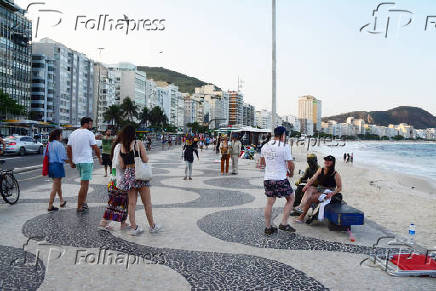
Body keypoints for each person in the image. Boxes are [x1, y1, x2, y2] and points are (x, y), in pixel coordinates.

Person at [117, 125, 160, 236]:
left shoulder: (121, 146)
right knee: (147, 203)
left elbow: (121, 165)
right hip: (139, 174)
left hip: (128, 175)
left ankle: (134, 227)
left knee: (131, 203)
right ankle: (152, 226)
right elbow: (145, 159)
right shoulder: (138, 143)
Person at [260, 126, 295, 235]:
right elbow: (291, 164)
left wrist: (271, 165)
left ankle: (268, 227)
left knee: (269, 202)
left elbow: (262, 163)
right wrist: (291, 172)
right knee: (291, 198)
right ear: (282, 135)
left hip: (268, 179)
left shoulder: (265, 146)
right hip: (280, 178)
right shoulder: (285, 146)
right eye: (285, 135)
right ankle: (284, 223)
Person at [67, 117, 102, 213]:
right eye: (90, 124)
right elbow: (95, 147)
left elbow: (68, 148)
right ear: (86, 124)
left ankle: (83, 202)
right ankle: (79, 206)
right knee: (85, 185)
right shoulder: (89, 133)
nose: (91, 126)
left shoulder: (73, 133)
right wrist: (99, 158)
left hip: (77, 162)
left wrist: (71, 161)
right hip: (86, 161)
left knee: (83, 183)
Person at [295, 155, 342, 223]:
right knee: (309, 189)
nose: (326, 161)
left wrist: (332, 193)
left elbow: (339, 187)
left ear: (333, 162)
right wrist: (307, 186)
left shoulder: (336, 174)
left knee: (310, 199)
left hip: (328, 191)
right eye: (326, 160)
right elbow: (313, 179)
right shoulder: (320, 170)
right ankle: (301, 206)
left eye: (329, 160)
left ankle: (302, 217)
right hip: (319, 188)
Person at [99, 135, 129, 231]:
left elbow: (114, 167)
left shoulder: (115, 147)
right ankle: (103, 222)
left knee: (120, 202)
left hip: (113, 179)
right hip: (119, 181)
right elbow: (121, 164)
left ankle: (123, 223)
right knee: (116, 203)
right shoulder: (121, 147)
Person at [46, 129, 68, 212]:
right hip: (57, 166)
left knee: (58, 184)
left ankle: (61, 201)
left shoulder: (49, 144)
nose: (62, 136)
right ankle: (50, 205)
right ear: (58, 136)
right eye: (61, 135)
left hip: (50, 166)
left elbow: (46, 155)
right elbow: (63, 158)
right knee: (55, 187)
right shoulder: (59, 145)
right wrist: (72, 162)